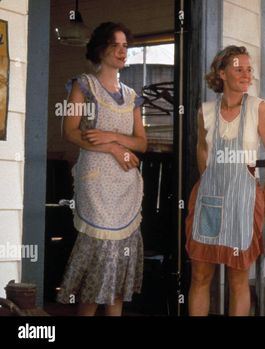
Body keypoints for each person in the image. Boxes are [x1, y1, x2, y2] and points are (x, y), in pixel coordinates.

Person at [57, 22, 147, 316]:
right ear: (101, 49)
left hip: (125, 185)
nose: (122, 52)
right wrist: (111, 148)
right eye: (115, 45)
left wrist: (112, 137)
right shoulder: (82, 85)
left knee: (119, 265)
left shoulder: (132, 96)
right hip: (95, 181)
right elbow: (70, 131)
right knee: (100, 258)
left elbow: (141, 143)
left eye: (125, 46)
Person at [185, 45, 265, 316]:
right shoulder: (205, 111)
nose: (246, 74)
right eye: (239, 69)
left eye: (249, 69)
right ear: (222, 73)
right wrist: (210, 182)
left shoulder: (258, 108)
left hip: (244, 200)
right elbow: (202, 150)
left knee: (238, 279)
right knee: (201, 276)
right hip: (210, 201)